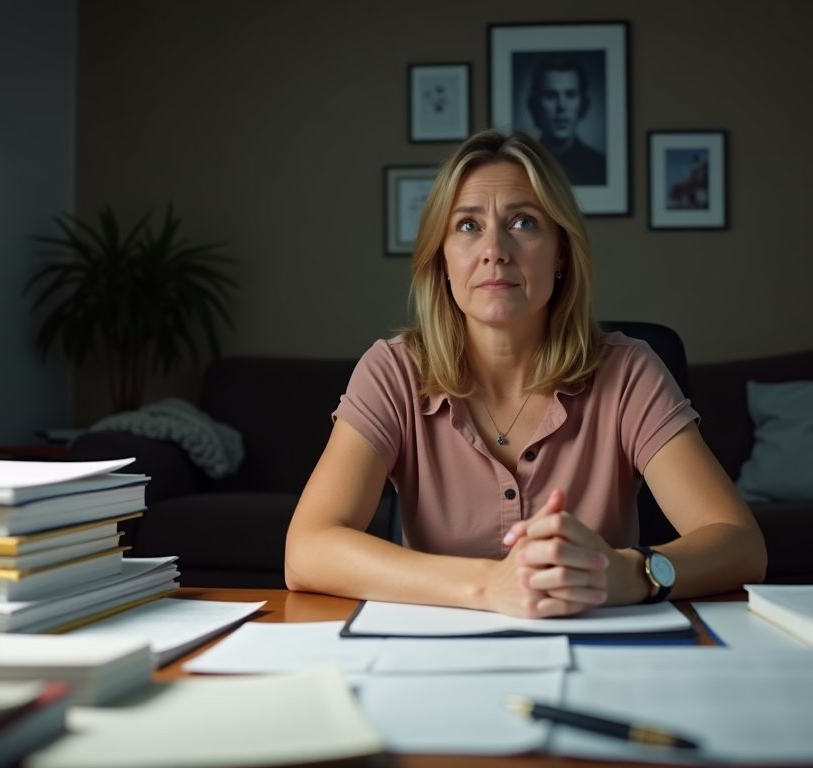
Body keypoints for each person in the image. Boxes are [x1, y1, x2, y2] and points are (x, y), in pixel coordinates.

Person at [285, 130, 765, 618]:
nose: (495, 249)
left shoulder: (628, 372)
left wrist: (631, 573)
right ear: (442, 258)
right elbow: (307, 551)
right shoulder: (392, 372)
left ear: (560, 253)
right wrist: (487, 585)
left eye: (523, 222)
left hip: (601, 651)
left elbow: (742, 545)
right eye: (468, 226)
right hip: (435, 660)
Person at [525, 55, 607, 186]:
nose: (561, 106)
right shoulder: (522, 165)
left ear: (583, 103)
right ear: (536, 104)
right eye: (551, 95)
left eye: (570, 95)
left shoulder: (600, 165)